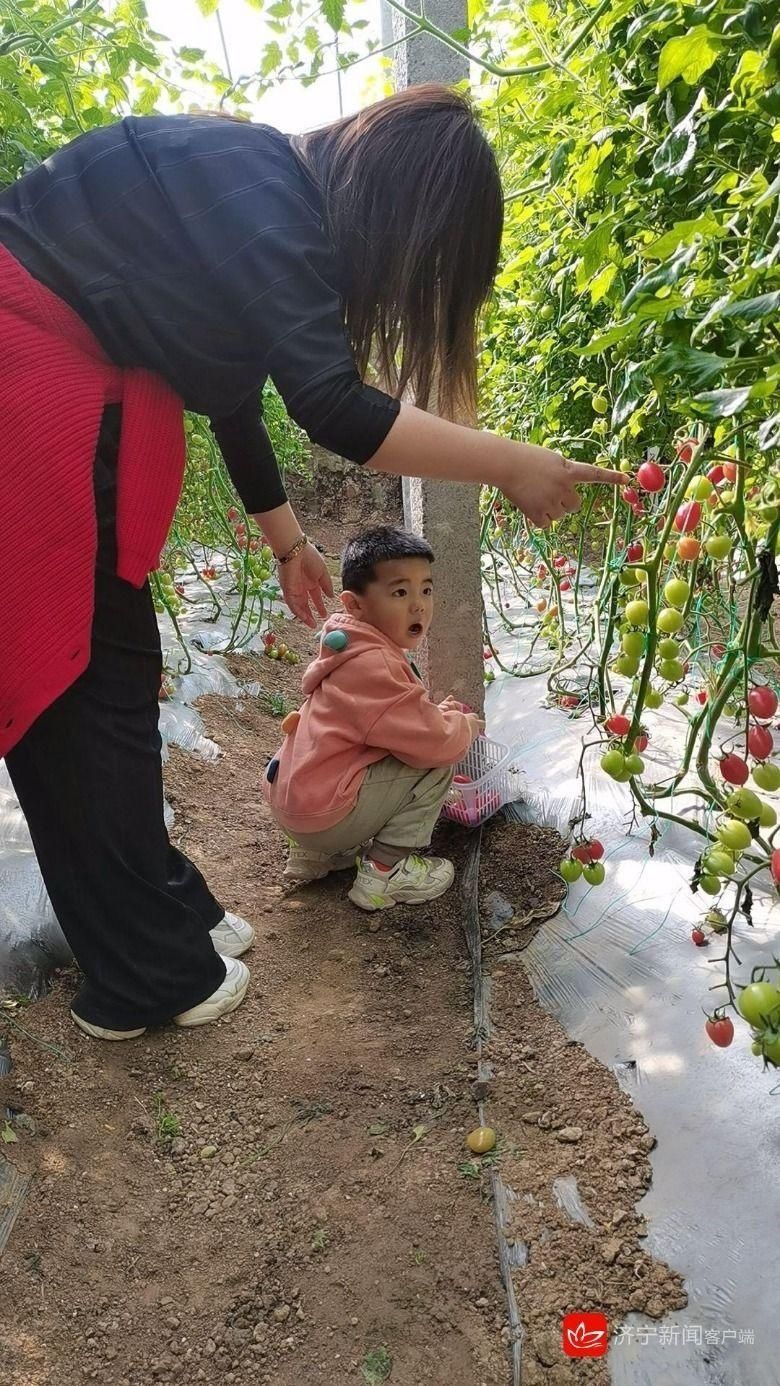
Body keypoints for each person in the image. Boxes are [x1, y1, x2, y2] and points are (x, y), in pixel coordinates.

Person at [0, 84, 622, 1040]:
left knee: (114, 678)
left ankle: (164, 912)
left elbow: (231, 394)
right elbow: (327, 406)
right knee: (81, 689)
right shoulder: (265, 189)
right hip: (28, 377)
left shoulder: (242, 193)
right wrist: (510, 462)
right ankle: (143, 978)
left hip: (56, 378)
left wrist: (288, 541)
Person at [266, 525, 484, 909]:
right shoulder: (376, 665)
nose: (418, 605)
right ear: (355, 604)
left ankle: (316, 855)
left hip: (295, 803)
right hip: (324, 815)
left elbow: (387, 718)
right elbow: (432, 741)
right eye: (400, 592)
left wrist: (438, 714)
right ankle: (384, 874)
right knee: (437, 763)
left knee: (380, 748)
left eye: (426, 590)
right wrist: (462, 725)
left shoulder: (348, 644)